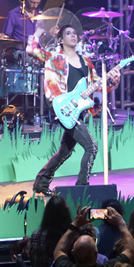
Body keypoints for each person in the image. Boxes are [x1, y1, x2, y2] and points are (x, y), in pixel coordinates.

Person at [29, 23, 118, 193]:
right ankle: (82, 189)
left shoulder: (86, 61)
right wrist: (37, 33)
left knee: (65, 151)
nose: (73, 36)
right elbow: (33, 51)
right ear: (61, 40)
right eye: (68, 33)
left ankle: (41, 183)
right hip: (63, 109)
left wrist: (114, 80)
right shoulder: (55, 58)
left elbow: (98, 85)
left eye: (75, 33)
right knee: (92, 147)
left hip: (79, 111)